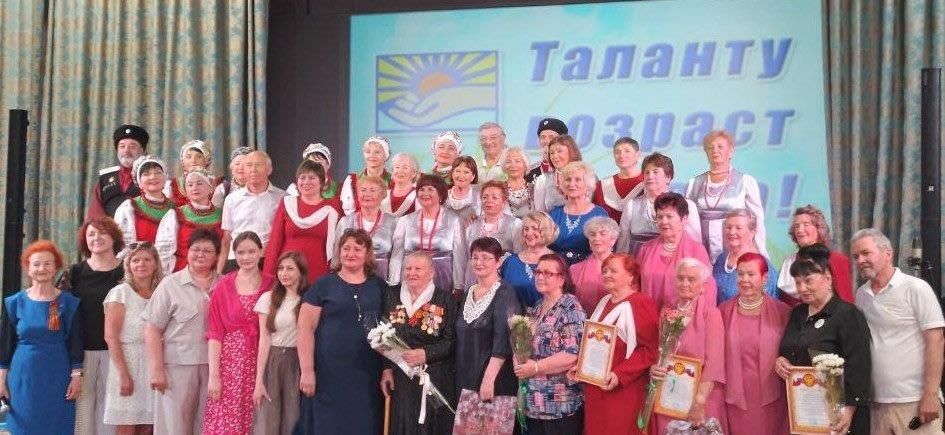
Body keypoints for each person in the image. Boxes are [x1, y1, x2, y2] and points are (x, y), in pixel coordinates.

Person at [851, 229, 944, 433]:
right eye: (856, 256)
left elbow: (936, 341)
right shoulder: (861, 294)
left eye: (866, 253)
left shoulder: (916, 288)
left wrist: (930, 394)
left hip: (914, 401)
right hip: (876, 403)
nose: (860, 260)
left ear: (888, 253)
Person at [776, 244, 872, 435]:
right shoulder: (797, 313)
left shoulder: (847, 314)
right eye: (797, 283)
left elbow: (859, 367)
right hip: (805, 410)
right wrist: (780, 361)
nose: (802, 288)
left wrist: (849, 410)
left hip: (841, 414)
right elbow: (789, 350)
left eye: (808, 281)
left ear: (828, 278)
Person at [296, 229, 384, 434]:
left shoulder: (380, 286)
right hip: (327, 374)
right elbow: (305, 328)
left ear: (367, 253)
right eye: (346, 248)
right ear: (339, 252)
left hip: (366, 376)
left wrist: (386, 369)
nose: (351, 253)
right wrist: (307, 370)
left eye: (357, 249)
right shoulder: (323, 285)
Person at [142, 229, 223, 434]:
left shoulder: (225, 284)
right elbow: (152, 328)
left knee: (208, 426)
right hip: (177, 367)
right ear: (187, 251)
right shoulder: (170, 284)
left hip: (215, 368)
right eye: (196, 249)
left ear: (217, 255)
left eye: (207, 251)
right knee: (174, 426)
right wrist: (157, 369)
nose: (200, 255)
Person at [0, 241, 83, 434]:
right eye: (36, 264)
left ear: (55, 268)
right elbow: (5, 345)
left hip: (58, 375)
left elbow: (75, 342)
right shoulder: (14, 302)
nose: (41, 268)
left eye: (47, 263)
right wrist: (1, 380)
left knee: (56, 425)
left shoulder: (70, 303)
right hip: (23, 376)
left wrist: (76, 376)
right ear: (28, 268)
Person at [578, 254, 659, 435]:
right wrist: (580, 365)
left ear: (630, 276)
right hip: (596, 388)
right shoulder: (603, 301)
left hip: (623, 390)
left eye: (613, 271)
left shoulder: (641, 302)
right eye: (604, 270)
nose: (607, 274)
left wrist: (619, 375)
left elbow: (650, 350)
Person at [379, 251, 458, 435]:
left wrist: (426, 354)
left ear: (431, 273)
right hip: (401, 377)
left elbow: (451, 341)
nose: (411, 273)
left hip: (434, 377)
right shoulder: (391, 295)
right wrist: (387, 369)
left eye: (418, 269)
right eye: (408, 268)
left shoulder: (445, 299)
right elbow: (383, 335)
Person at [204, 231, 274, 434]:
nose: (246, 257)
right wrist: (214, 375)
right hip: (230, 364)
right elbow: (215, 333)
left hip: (262, 361)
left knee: (258, 418)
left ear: (261, 251)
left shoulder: (272, 284)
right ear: (234, 254)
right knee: (226, 419)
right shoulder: (223, 285)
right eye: (241, 252)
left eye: (251, 251)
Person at [649, 259, 728, 433]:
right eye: (680, 278)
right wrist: (654, 368)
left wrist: (700, 401)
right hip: (668, 397)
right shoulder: (666, 310)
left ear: (704, 285)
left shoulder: (711, 314)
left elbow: (714, 364)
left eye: (691, 279)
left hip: (701, 397)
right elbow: (659, 352)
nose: (685, 283)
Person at [64, 217, 126, 435]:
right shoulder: (74, 273)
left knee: (110, 414)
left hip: (117, 351)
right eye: (91, 234)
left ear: (114, 237)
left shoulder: (127, 272)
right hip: (82, 353)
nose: (96, 238)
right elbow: (62, 313)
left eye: (102, 232)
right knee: (83, 415)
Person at [718, 253, 790, 435]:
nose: (744, 280)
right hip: (735, 398)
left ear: (765, 278)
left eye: (751, 274)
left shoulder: (783, 312)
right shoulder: (722, 312)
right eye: (740, 274)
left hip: (773, 398)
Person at [513, 253, 586, 434]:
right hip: (533, 403)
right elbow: (524, 345)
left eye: (547, 273)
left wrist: (536, 367)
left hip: (560, 406)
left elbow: (572, 355)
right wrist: (518, 358)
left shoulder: (571, 307)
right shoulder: (536, 308)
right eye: (538, 271)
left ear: (561, 279)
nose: (540, 276)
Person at [455, 238, 522, 427]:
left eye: (486, 258)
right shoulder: (469, 292)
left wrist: (488, 380)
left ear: (498, 262)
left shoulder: (505, 293)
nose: (479, 262)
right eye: (475, 257)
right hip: (466, 377)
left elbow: (503, 342)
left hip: (494, 380)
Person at [102, 242, 163, 434]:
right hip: (127, 363)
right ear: (128, 265)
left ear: (155, 263)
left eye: (147, 259)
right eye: (135, 260)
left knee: (149, 425)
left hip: (153, 364)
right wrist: (123, 375)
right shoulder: (120, 293)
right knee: (127, 424)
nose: (141, 264)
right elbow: (111, 336)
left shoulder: (161, 293)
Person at [685, 130, 767, 261]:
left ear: (731, 151)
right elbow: (689, 223)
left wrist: (760, 253)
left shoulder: (746, 181)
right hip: (703, 254)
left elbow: (757, 221)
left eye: (720, 146)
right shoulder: (693, 183)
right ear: (706, 153)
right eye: (710, 147)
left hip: (737, 253)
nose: (715, 150)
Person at [253, 252, 308, 435]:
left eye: (290, 268)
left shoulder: (308, 300)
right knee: (268, 418)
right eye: (281, 268)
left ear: (301, 272)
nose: (284, 273)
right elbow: (264, 339)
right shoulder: (268, 298)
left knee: (293, 417)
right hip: (273, 360)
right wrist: (259, 381)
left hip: (297, 360)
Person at [389, 174, 466, 296]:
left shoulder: (455, 220)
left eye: (430, 189)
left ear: (441, 194)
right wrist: (394, 282)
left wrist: (459, 285)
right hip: (411, 277)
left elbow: (460, 256)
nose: (425, 193)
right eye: (421, 189)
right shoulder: (405, 220)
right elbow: (397, 254)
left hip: (442, 278)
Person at [637, 192, 716, 309]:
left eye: (669, 216)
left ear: (684, 219)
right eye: (660, 217)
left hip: (682, 317)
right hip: (648, 313)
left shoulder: (697, 251)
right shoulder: (646, 249)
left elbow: (707, 290)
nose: (663, 221)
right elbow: (636, 285)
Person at [264, 160, 339, 282]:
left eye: (312, 178)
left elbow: (338, 244)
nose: (306, 182)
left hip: (319, 272)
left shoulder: (333, 207)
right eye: (302, 178)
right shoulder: (287, 203)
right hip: (288, 272)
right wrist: (268, 276)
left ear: (322, 181)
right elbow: (275, 241)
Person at [617, 152, 701, 255]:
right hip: (637, 262)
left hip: (674, 262)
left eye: (655, 172)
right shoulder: (631, 205)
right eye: (647, 173)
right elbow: (623, 243)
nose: (650, 176)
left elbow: (695, 243)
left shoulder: (687, 205)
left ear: (668, 177)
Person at [219, 150, 286, 273]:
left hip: (269, 260)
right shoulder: (232, 199)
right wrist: (219, 271)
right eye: (249, 165)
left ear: (269, 169)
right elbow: (226, 239)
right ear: (244, 170)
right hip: (237, 260)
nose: (253, 170)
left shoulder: (283, 198)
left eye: (258, 165)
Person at [777, 205, 854, 304]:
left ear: (819, 228)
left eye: (806, 224)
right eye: (796, 226)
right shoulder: (789, 262)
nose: (800, 230)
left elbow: (845, 301)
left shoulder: (837, 260)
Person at [155, 167, 223, 276]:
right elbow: (164, 251)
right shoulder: (175, 215)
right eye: (190, 185)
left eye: (199, 183)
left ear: (210, 187)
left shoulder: (222, 214)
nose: (194, 188)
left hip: (215, 273)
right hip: (183, 273)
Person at [336, 175, 398, 279]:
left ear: (382, 195)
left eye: (372, 190)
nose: (367, 194)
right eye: (363, 190)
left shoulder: (394, 223)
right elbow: (336, 255)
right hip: (349, 279)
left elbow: (396, 256)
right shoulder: (345, 222)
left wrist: (393, 281)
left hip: (381, 279)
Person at [713, 209, 778, 304]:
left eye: (738, 228)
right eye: (728, 227)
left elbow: (769, 304)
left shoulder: (763, 266)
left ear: (752, 233)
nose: (732, 232)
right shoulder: (721, 259)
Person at [548, 161, 609, 265]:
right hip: (556, 269)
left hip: (588, 269)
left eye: (578, 179)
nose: (572, 184)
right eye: (568, 179)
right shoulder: (554, 214)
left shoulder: (599, 214)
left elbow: (606, 249)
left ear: (587, 184)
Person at [88, 124, 148, 219]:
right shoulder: (105, 178)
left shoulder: (150, 177)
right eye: (122, 146)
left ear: (142, 151)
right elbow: (95, 212)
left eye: (132, 147)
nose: (126, 151)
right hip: (107, 227)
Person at [114, 155, 174, 249]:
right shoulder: (129, 208)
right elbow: (124, 247)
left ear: (165, 177)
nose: (153, 177)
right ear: (139, 181)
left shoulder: (175, 208)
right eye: (146, 174)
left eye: (158, 172)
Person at [501, 211, 558, 308]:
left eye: (534, 228)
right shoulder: (510, 262)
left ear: (546, 231)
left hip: (548, 315)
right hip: (514, 315)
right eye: (526, 229)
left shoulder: (557, 261)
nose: (529, 233)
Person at [569, 216, 619, 314]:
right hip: (582, 320)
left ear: (613, 240)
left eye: (602, 234)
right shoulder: (575, 269)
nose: (597, 238)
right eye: (592, 234)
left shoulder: (624, 267)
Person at [592, 137, 643, 222]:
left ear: (638, 154)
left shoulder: (648, 183)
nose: (622, 155)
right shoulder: (601, 186)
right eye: (617, 152)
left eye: (627, 151)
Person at [340, 136, 392, 216]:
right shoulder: (352, 180)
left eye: (377, 152)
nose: (372, 155)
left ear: (385, 156)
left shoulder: (393, 180)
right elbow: (348, 211)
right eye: (368, 152)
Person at [533, 135, 584, 212]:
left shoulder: (587, 176)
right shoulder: (543, 180)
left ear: (571, 152)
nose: (555, 156)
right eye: (552, 153)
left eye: (559, 151)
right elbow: (540, 213)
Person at [166, 140, 212, 207]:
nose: (193, 161)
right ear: (182, 161)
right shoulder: (171, 185)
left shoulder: (216, 185)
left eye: (199, 156)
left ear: (207, 160)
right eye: (188, 157)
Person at [526, 117, 568, 184]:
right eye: (543, 137)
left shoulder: (574, 170)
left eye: (551, 137)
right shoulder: (529, 172)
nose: (546, 141)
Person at [444, 155, 481, 223]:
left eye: (466, 172)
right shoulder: (443, 196)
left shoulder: (480, 197)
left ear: (473, 176)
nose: (461, 175)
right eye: (457, 171)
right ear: (452, 174)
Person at [382, 153, 420, 217]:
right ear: (392, 172)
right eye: (397, 167)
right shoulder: (384, 195)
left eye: (405, 167)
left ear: (413, 173)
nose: (400, 171)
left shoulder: (419, 195)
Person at [503, 147, 534, 218]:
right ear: (504, 166)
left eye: (517, 161)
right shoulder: (499, 190)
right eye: (508, 162)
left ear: (525, 164)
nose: (513, 165)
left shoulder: (535, 189)